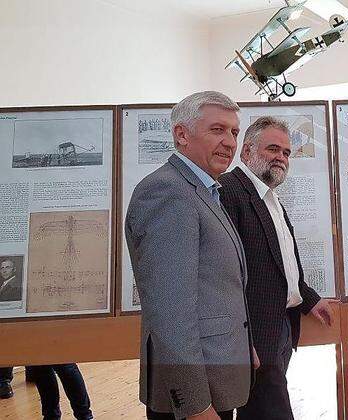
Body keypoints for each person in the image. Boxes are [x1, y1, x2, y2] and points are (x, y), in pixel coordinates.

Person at [125, 91, 256, 420]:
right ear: (181, 134)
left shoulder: (205, 190)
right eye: (217, 130)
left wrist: (243, 344)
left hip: (218, 373)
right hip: (192, 397)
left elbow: (217, 286)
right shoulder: (168, 192)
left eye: (234, 132)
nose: (229, 142)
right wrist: (195, 405)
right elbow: (170, 314)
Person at [219, 116, 334, 420]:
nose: (281, 157)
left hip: (282, 327)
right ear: (247, 152)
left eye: (286, 152)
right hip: (253, 337)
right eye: (273, 149)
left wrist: (308, 299)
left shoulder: (270, 197)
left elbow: (282, 262)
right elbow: (224, 276)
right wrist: (241, 340)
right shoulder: (229, 191)